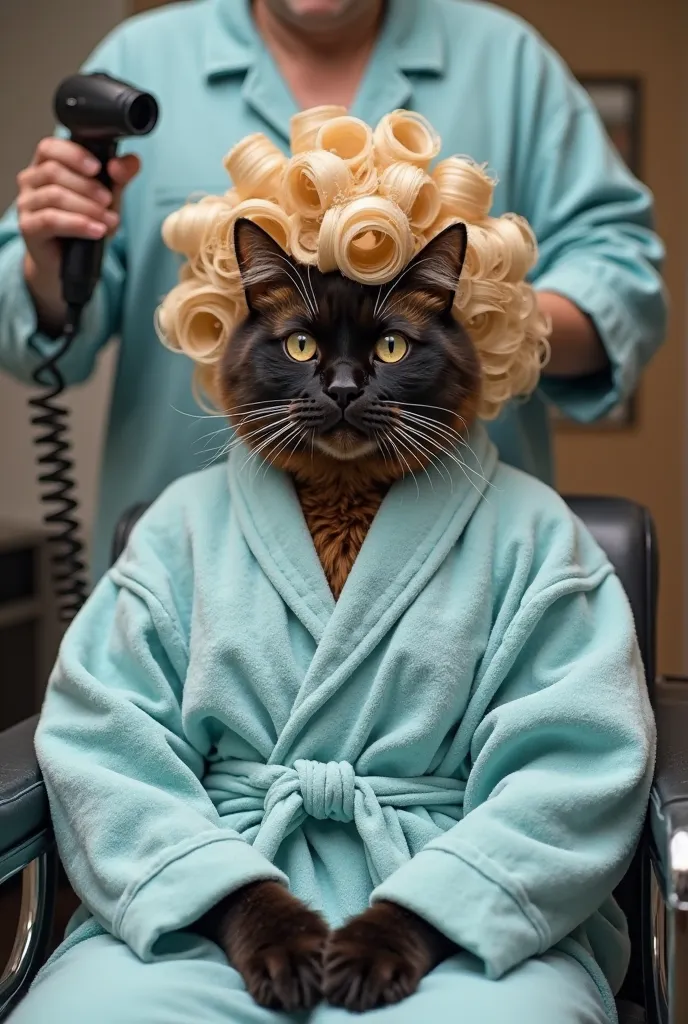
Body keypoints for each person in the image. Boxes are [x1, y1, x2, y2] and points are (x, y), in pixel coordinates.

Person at [7, 110, 654, 1023]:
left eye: (391, 347)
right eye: (302, 346)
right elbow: (101, 746)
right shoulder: (180, 528)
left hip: (463, 921)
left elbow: (578, 767)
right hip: (214, 907)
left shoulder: (534, 534)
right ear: (242, 339)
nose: (344, 384)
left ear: (459, 342)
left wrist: (422, 922)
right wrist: (238, 907)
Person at [0, 0, 666, 583]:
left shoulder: (511, 62)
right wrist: (49, 259)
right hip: (197, 563)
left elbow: (623, 273)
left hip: (460, 561)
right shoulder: (138, 61)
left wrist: (491, 323)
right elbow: (30, 329)